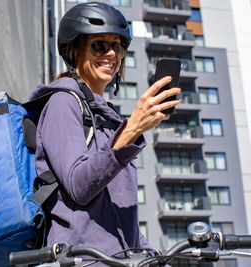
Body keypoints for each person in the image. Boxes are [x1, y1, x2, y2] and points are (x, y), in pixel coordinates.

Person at [28, 1, 181, 263]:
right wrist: (133, 127)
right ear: (74, 50)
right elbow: (79, 184)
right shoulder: (62, 102)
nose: (111, 54)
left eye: (117, 46)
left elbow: (118, 217)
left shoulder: (107, 118)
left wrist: (149, 253)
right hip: (79, 259)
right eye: (99, 45)